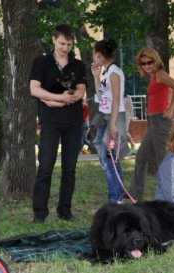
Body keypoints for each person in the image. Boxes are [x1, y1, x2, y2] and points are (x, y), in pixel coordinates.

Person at [29, 24, 87, 223]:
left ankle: (64, 210)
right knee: (45, 166)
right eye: (62, 43)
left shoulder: (78, 65)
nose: (66, 48)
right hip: (50, 122)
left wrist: (61, 100)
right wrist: (57, 97)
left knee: (69, 168)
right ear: (53, 39)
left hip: (73, 122)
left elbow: (81, 90)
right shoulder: (41, 62)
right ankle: (39, 212)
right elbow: (34, 90)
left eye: (69, 44)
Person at [129, 47, 174, 202]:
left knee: (163, 160)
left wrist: (171, 109)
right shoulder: (154, 76)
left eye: (149, 62)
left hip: (160, 120)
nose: (147, 66)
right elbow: (167, 92)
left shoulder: (160, 74)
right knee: (141, 157)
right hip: (154, 121)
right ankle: (136, 196)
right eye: (143, 63)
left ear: (156, 60)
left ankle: (168, 197)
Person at [91, 38, 130, 205]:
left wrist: (113, 123)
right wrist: (95, 76)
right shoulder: (106, 72)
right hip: (105, 116)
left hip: (114, 117)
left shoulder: (114, 71)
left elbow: (116, 99)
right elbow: (101, 96)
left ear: (99, 55)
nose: (93, 57)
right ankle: (119, 193)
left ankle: (115, 198)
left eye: (94, 54)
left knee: (108, 159)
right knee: (108, 157)